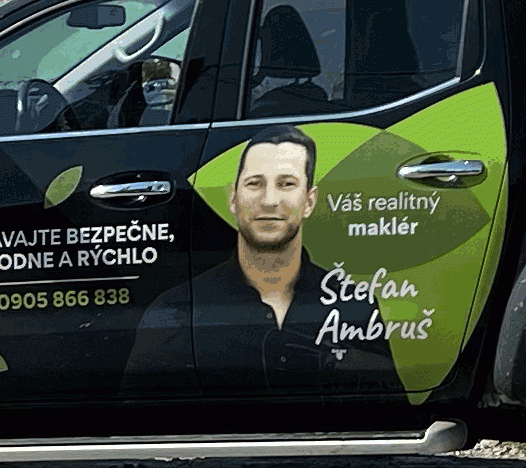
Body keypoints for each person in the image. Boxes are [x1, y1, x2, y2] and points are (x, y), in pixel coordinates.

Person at [120, 129, 402, 395]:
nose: (269, 201)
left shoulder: (353, 303)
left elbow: (388, 409)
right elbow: (136, 422)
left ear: (310, 201)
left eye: (287, 184)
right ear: (233, 198)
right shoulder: (178, 310)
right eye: (255, 183)